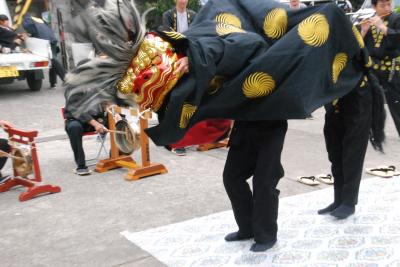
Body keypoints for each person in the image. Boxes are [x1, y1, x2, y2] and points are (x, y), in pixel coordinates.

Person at [223, 120, 287, 252]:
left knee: (264, 182)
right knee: (232, 178)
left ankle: (267, 234)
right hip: (244, 123)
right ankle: (247, 228)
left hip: (272, 124)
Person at [318, 76, 373, 219]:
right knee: (335, 152)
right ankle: (338, 199)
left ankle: (349, 203)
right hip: (334, 100)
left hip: (357, 97)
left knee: (352, 154)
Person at [159, 0, 197, 155]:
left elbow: (198, 34)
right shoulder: (167, 15)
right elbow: (168, 36)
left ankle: (185, 135)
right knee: (172, 98)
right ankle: (172, 140)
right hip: (173, 60)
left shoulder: (193, 15)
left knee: (188, 98)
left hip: (190, 59)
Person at [360, 0, 400, 136]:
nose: (387, 8)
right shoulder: (368, 20)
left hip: (390, 69)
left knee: (396, 103)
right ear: (374, 7)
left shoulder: (396, 18)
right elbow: (360, 46)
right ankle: (371, 133)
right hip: (373, 69)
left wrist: (382, 27)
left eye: (389, 4)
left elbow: (398, 38)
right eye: (382, 5)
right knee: (369, 103)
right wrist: (364, 31)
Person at [22, 14, 66, 88]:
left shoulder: (27, 20)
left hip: (43, 42)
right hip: (52, 40)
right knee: (53, 61)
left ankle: (66, 79)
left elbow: (31, 30)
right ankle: (53, 83)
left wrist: (28, 36)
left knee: (53, 61)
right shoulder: (39, 19)